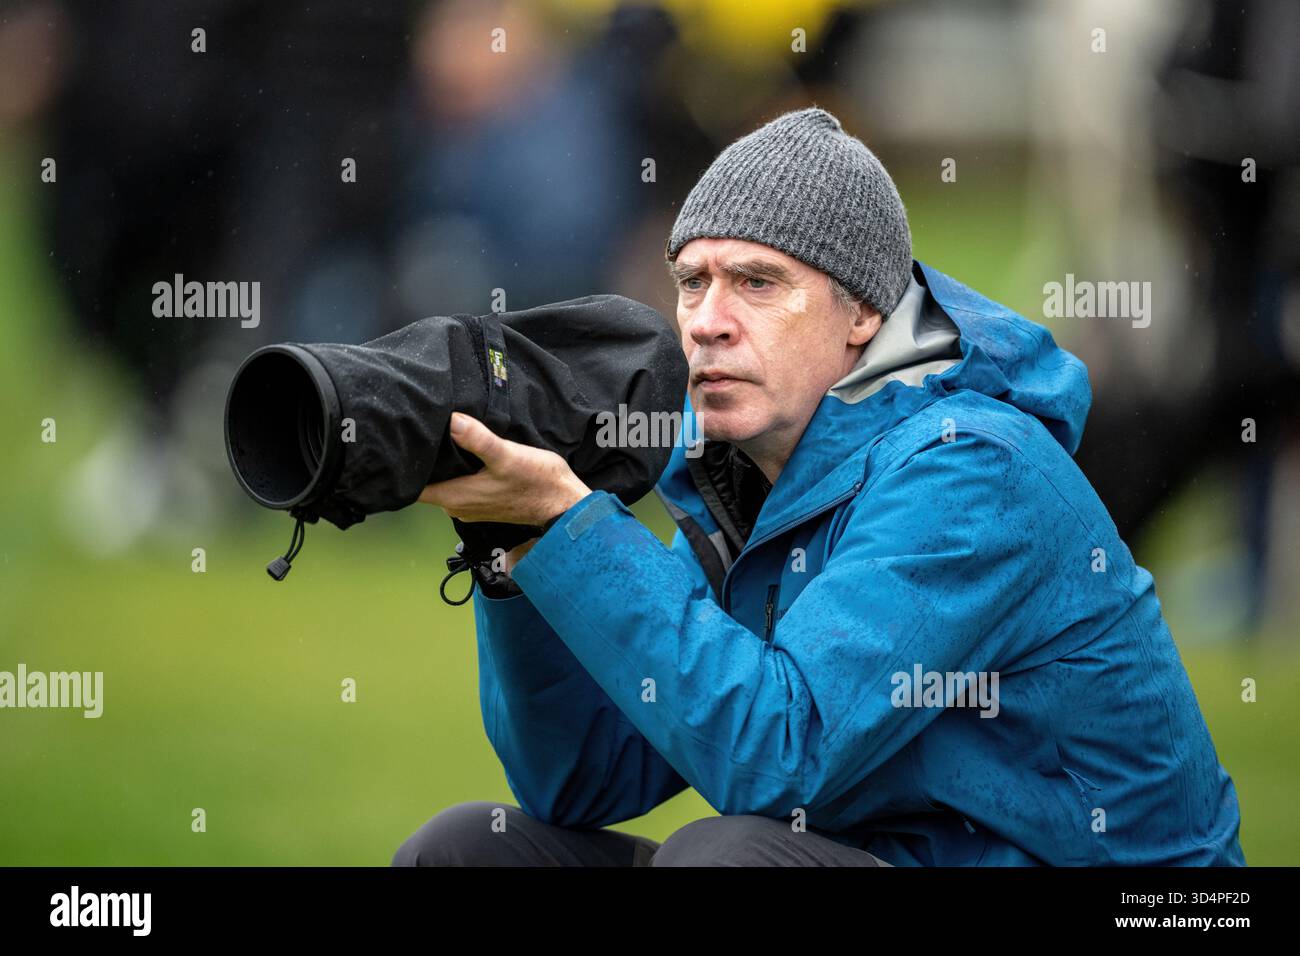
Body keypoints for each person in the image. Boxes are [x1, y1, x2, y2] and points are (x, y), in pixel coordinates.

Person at [394, 107, 1245, 867]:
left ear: (864, 314)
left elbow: (780, 754)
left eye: (758, 282)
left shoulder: (972, 467)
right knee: (468, 850)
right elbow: (579, 782)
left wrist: (573, 519)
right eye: (693, 280)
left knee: (726, 858)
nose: (706, 319)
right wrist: (517, 541)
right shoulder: (744, 472)